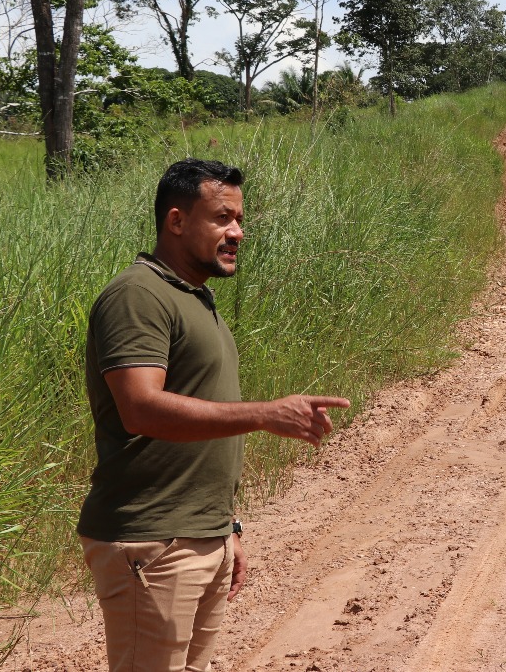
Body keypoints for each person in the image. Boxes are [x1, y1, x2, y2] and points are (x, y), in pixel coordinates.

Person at [77, 158, 350, 672]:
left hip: (201, 534)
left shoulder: (194, 298)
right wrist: (264, 414)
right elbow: (139, 408)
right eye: (223, 218)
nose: (238, 232)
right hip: (152, 539)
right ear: (176, 221)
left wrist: (227, 529)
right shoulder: (138, 295)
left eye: (239, 219)